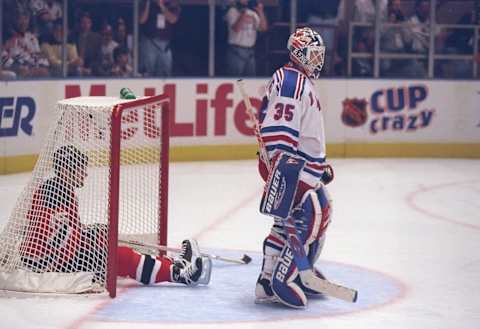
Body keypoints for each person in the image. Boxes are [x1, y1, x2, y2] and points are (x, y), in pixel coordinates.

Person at [20, 145, 211, 288]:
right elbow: (54, 239)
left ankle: (171, 264)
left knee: (104, 236)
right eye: (80, 168)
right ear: (66, 170)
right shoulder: (57, 193)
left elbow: (59, 232)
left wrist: (87, 233)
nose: (85, 174)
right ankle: (180, 274)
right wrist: (88, 240)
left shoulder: (56, 188)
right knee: (121, 257)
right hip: (47, 263)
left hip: (49, 257)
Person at [254, 27, 334, 309]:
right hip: (291, 167)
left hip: (300, 166)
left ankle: (267, 280)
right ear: (300, 53)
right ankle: (284, 277)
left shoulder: (297, 80)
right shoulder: (291, 82)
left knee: (284, 223)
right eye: (313, 55)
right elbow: (280, 132)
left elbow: (304, 130)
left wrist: (320, 164)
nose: (318, 60)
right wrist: (282, 172)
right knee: (314, 213)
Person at [224, 0, 268, 77]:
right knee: (235, 80)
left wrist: (260, 12)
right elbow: (236, 29)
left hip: (250, 51)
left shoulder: (253, 13)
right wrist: (243, 15)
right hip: (236, 51)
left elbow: (263, 28)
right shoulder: (232, 11)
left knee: (250, 79)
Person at [139, 0, 181, 77]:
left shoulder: (173, 3)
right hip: (150, 42)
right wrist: (147, 4)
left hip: (165, 45)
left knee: (165, 72)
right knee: (148, 71)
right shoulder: (146, 2)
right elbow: (141, 20)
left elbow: (173, 20)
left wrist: (162, 6)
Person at [3, 10, 50, 78]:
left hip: (32, 71)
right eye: (20, 18)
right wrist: (18, 68)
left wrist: (40, 66)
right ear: (14, 20)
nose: (23, 22)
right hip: (16, 74)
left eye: (25, 18)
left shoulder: (32, 38)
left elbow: (40, 57)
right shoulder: (6, 38)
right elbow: (5, 60)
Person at [71, 12, 103, 76]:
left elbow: (99, 58)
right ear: (79, 23)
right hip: (74, 69)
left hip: (90, 70)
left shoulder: (97, 38)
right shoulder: (73, 36)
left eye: (88, 22)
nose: (85, 25)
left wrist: (90, 69)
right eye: (83, 22)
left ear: (91, 24)